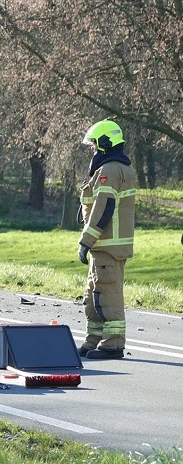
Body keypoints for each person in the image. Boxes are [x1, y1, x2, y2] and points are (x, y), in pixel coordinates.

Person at [77, 119, 137, 360]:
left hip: (107, 247)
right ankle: (94, 340)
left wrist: (85, 242)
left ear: (104, 143)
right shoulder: (114, 169)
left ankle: (112, 345)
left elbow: (103, 210)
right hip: (104, 248)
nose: (93, 150)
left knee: (108, 296)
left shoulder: (109, 171)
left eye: (94, 145)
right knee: (94, 296)